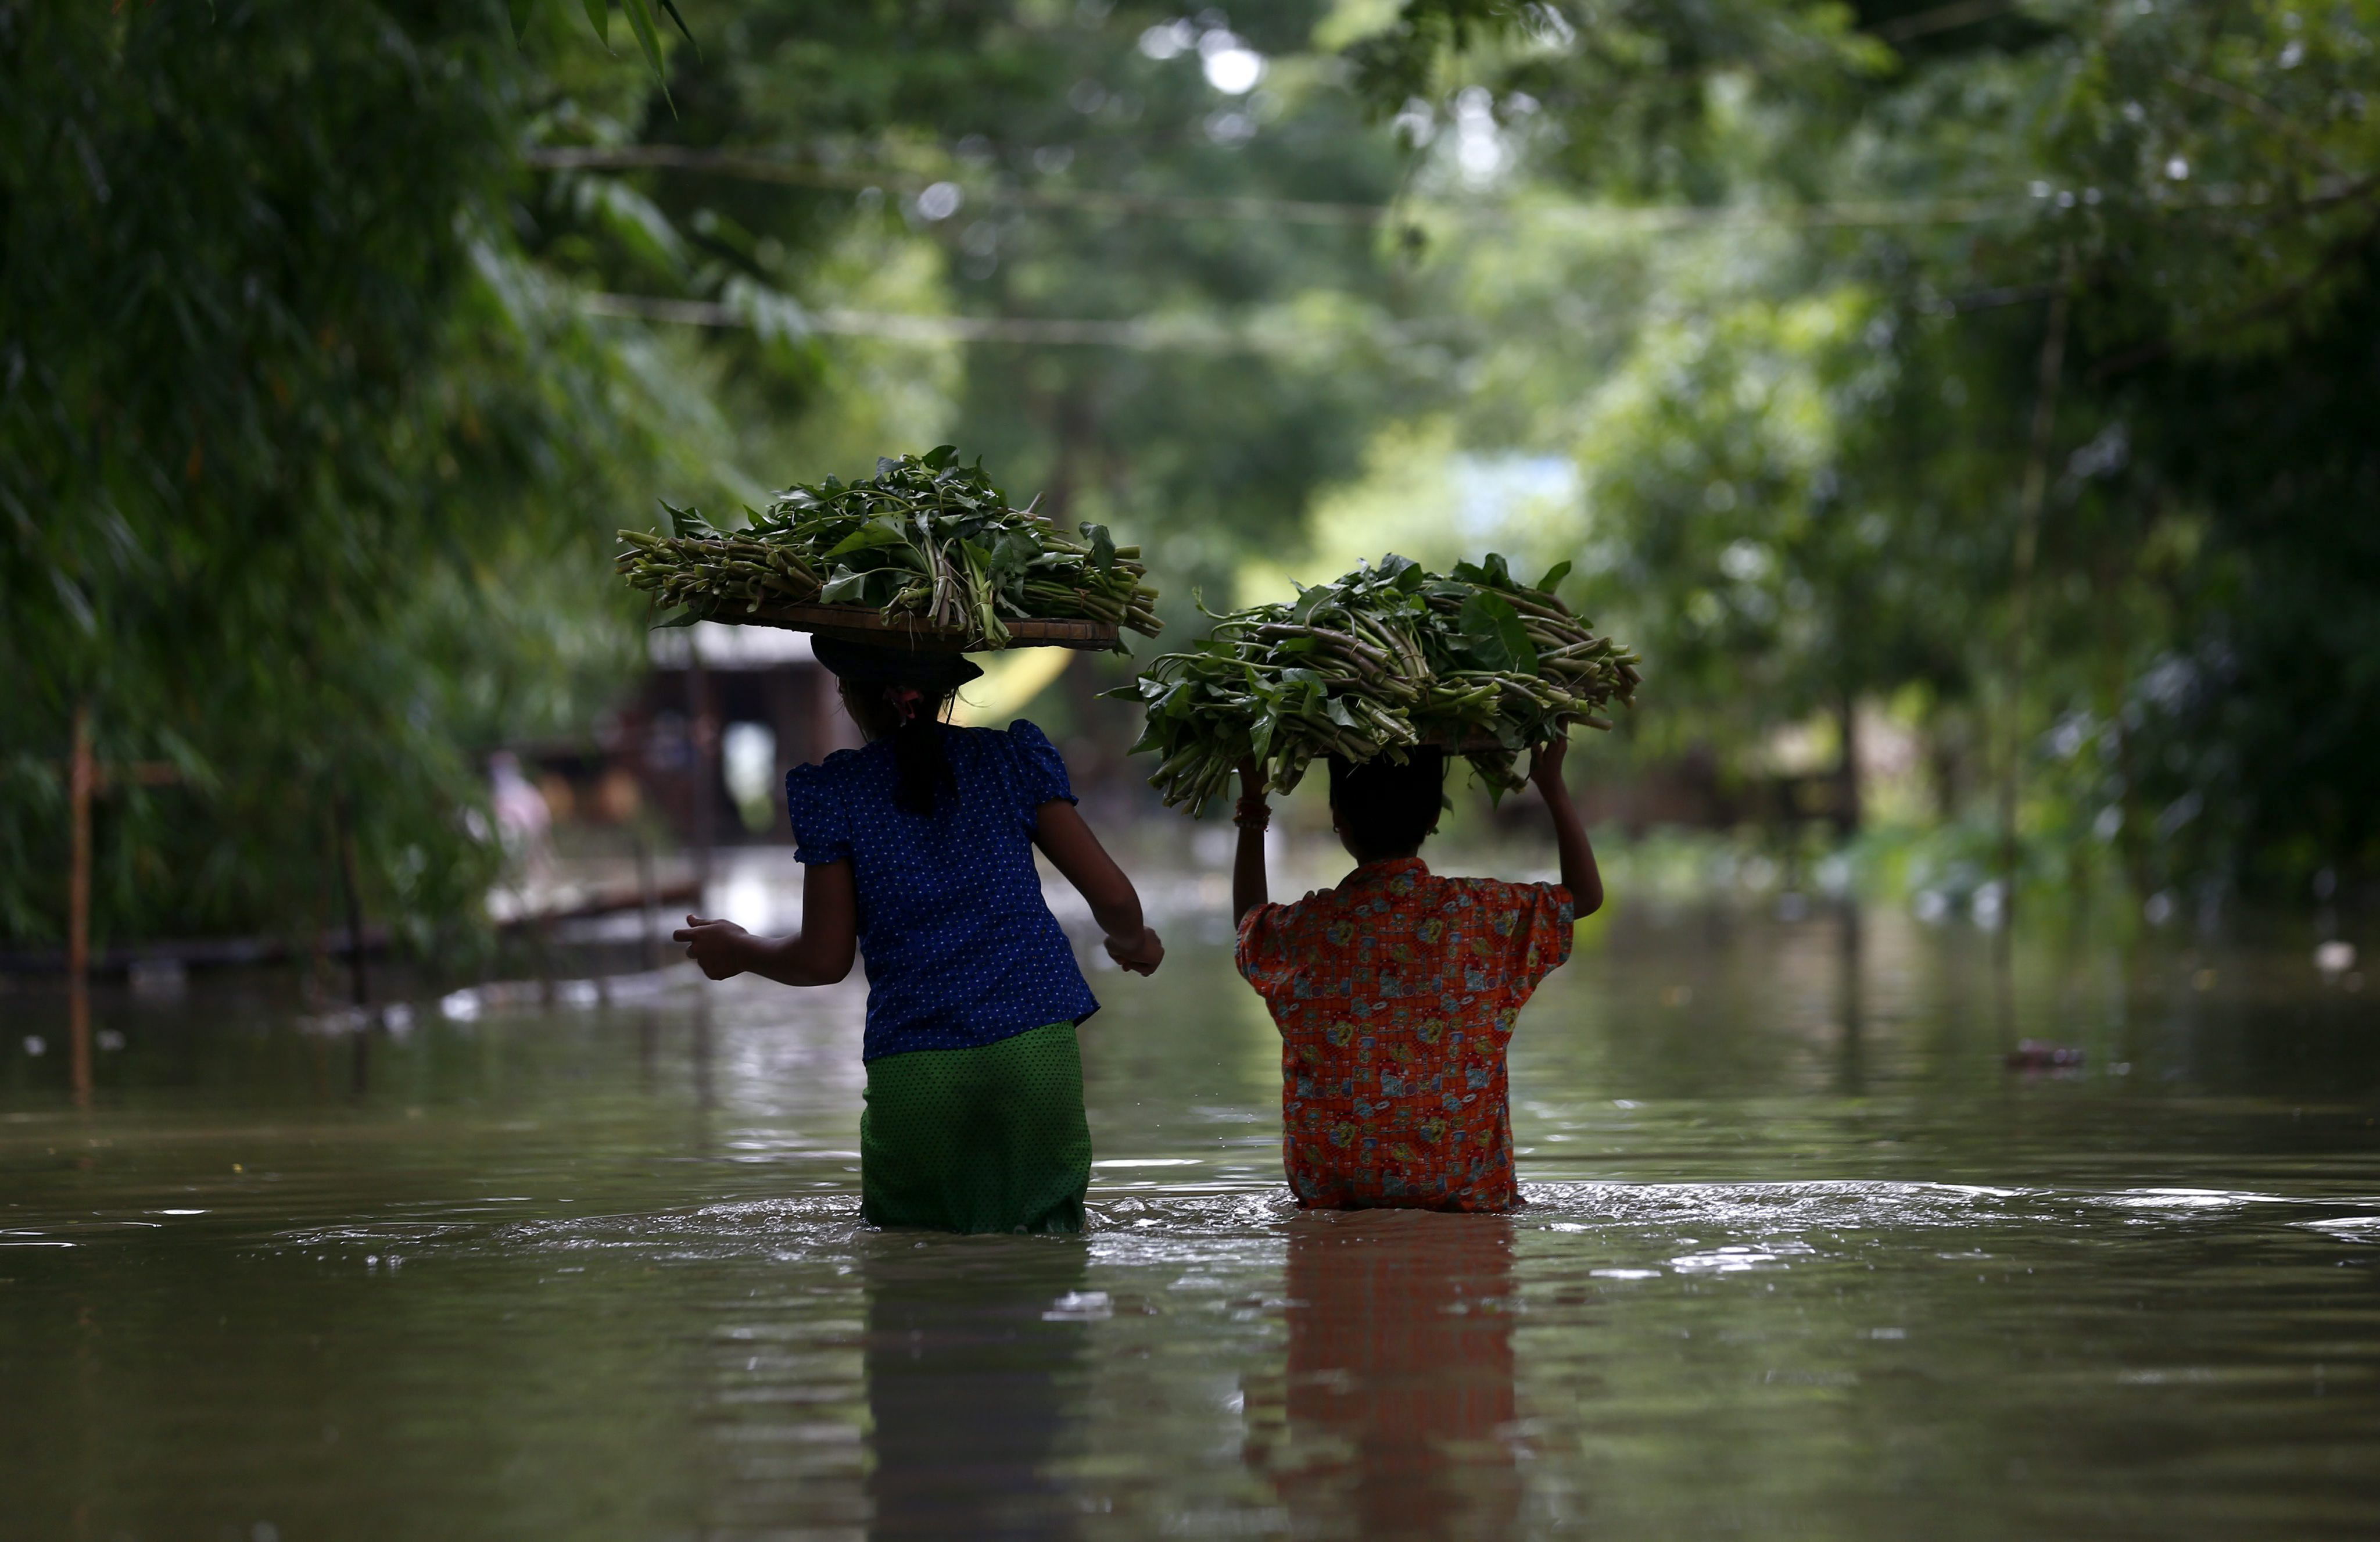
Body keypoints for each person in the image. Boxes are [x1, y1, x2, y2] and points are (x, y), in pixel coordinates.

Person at [674, 636, 1164, 1235]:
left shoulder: (837, 792)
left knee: (910, 1273)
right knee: (1049, 1258)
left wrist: (739, 949)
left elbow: (825, 958)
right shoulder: (1010, 761)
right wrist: (1133, 941)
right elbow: (1113, 898)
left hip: (915, 1065)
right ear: (945, 692)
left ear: (850, 697)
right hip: (1035, 1046)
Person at [1231, 738, 1601, 1212]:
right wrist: (1554, 788)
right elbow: (1584, 897)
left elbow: (1249, 923)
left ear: (1337, 819)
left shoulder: (1308, 930)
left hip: (1337, 1204)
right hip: (1464, 1203)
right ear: (1433, 818)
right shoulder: (1485, 916)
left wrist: (1253, 804)